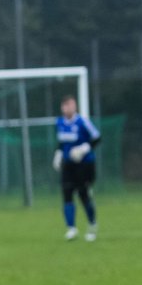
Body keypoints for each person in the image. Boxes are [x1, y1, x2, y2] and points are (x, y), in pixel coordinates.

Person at [52, 95, 101, 242]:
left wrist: (84, 148)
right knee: (66, 193)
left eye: (71, 105)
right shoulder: (59, 122)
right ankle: (71, 228)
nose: (68, 108)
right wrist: (58, 154)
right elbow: (61, 142)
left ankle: (92, 224)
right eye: (66, 105)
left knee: (83, 194)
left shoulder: (82, 122)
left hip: (84, 164)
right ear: (62, 107)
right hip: (68, 165)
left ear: (75, 107)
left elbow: (97, 138)